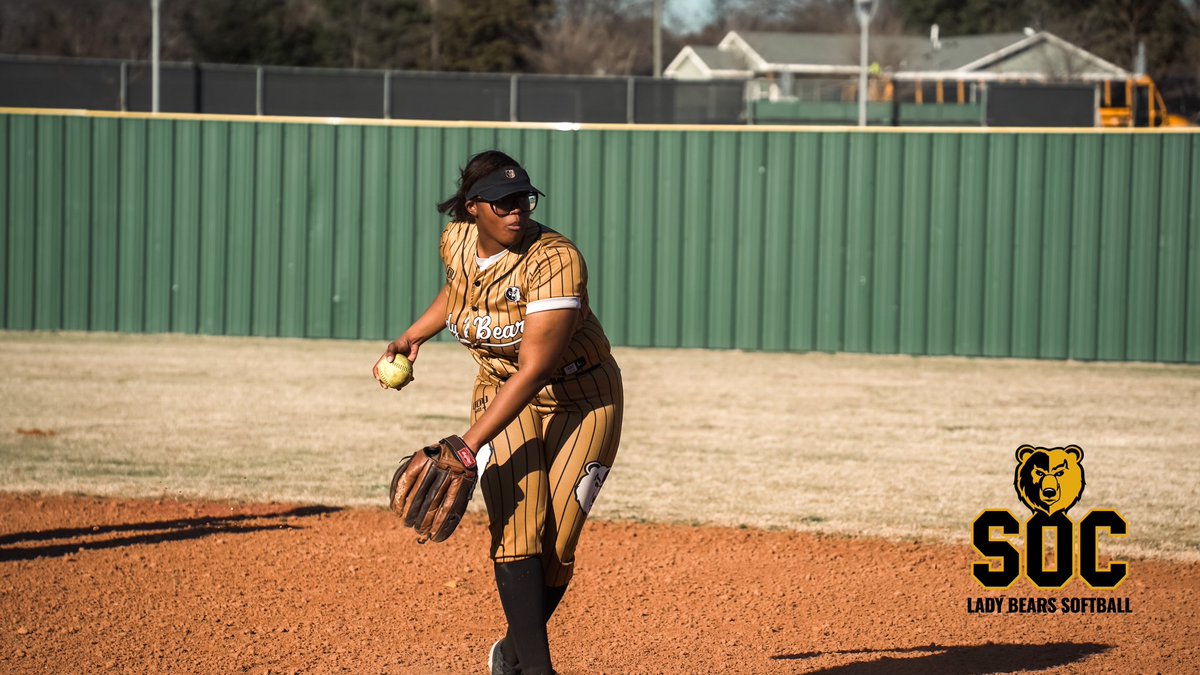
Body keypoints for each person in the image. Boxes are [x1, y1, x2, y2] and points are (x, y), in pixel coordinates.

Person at [379, 150, 623, 675]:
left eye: (524, 200)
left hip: (583, 397)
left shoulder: (555, 260)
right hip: (498, 390)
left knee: (557, 543)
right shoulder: (456, 241)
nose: (517, 211)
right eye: (503, 202)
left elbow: (534, 370)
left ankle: (512, 653)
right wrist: (413, 335)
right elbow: (459, 289)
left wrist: (466, 446)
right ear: (473, 207)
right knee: (517, 530)